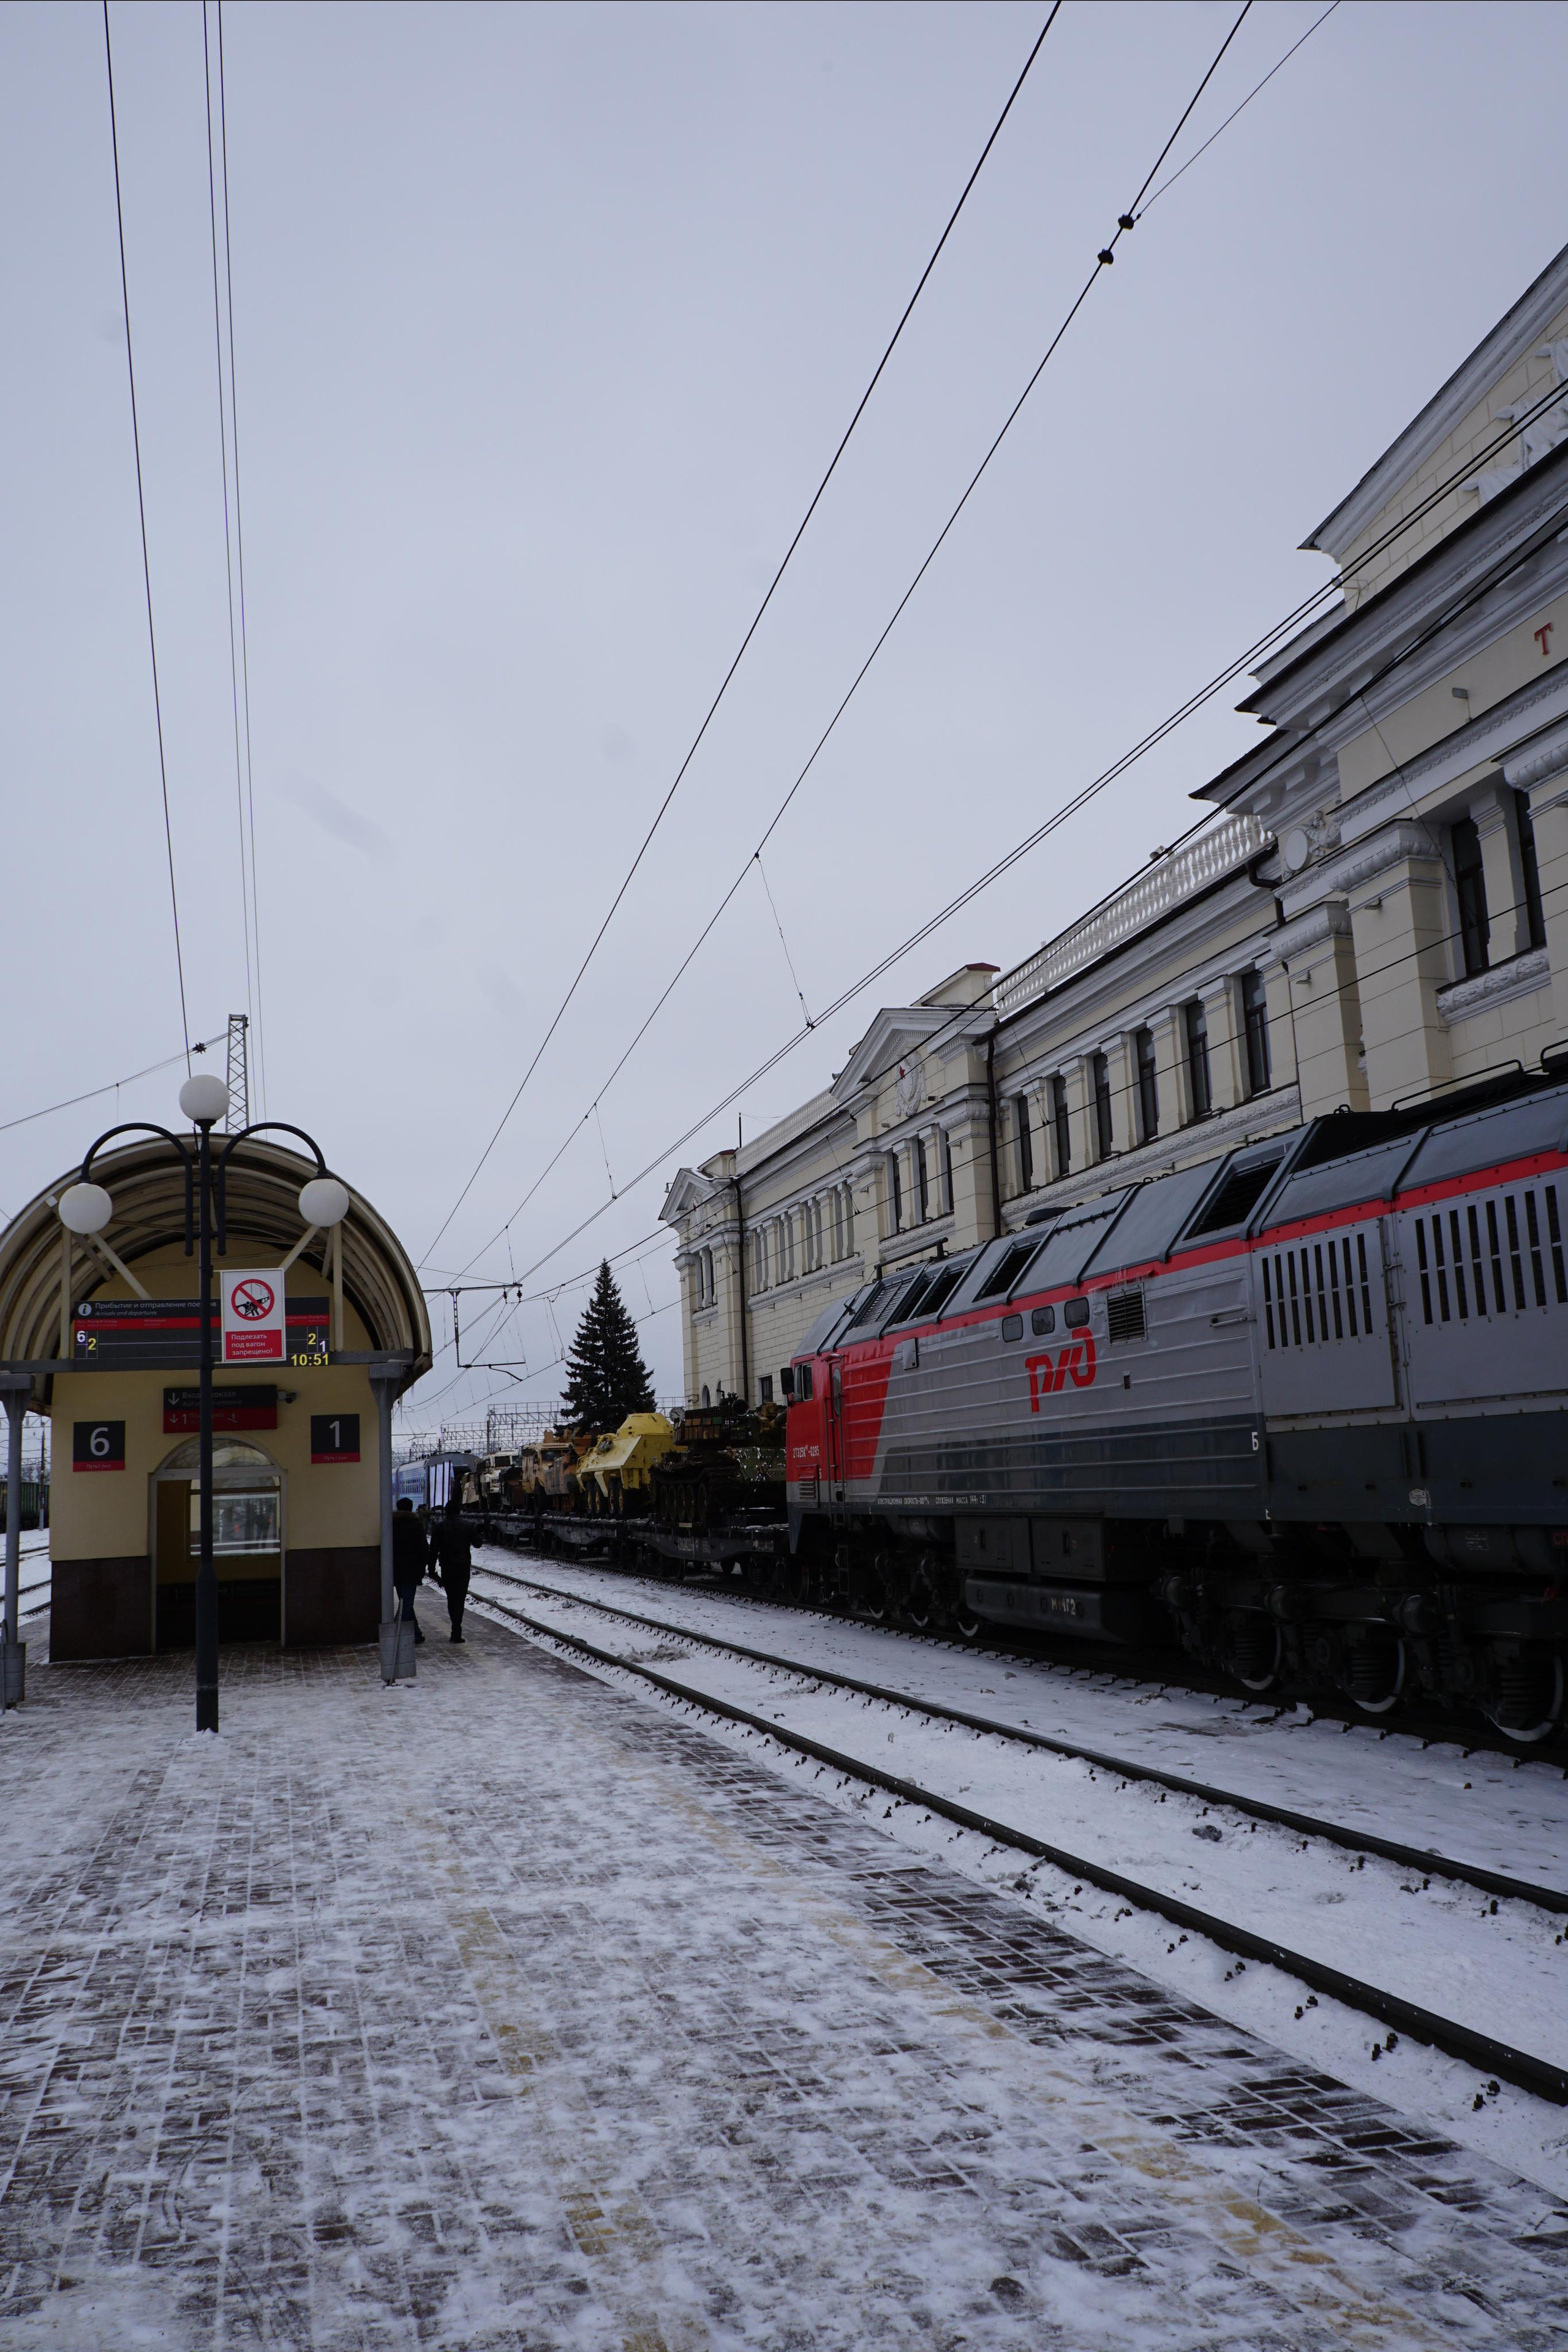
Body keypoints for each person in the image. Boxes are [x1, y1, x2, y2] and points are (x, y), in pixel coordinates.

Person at [428, 1496, 473, 1642]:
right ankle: (456, 1631)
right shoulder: (468, 1525)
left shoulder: (439, 1527)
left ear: (446, 1512)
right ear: (459, 1511)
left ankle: (455, 1629)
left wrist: (432, 1570)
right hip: (463, 1567)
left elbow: (433, 1551)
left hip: (447, 1567)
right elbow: (478, 1543)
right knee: (460, 1598)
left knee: (451, 1598)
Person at [391, 1496, 428, 1645]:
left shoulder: (391, 1524)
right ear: (411, 1508)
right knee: (407, 1604)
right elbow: (424, 1549)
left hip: (395, 1570)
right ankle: (394, 1632)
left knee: (405, 1602)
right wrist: (423, 1568)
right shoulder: (415, 1525)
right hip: (411, 1571)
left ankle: (416, 1634)